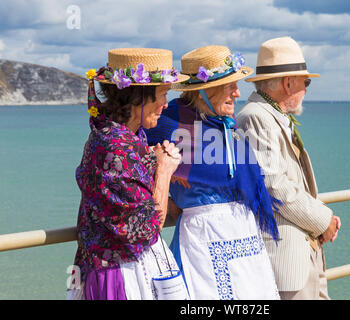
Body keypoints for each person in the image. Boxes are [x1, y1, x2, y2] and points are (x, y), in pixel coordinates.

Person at [145, 45, 280, 300]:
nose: (238, 93)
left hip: (246, 246)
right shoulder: (169, 125)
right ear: (206, 90)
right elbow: (140, 160)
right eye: (230, 86)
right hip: (203, 243)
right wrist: (167, 190)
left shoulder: (226, 129)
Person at [66, 48, 190, 300]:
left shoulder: (112, 136)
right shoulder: (118, 148)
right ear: (139, 97)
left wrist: (153, 163)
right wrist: (164, 171)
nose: (166, 105)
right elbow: (147, 229)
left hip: (110, 270)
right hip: (119, 277)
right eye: (163, 95)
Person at [236, 37, 341, 300]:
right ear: (288, 83)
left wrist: (321, 218)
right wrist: (322, 219)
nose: (306, 89)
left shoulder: (269, 116)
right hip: (287, 262)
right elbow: (273, 186)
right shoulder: (256, 116)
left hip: (303, 255)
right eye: (306, 82)